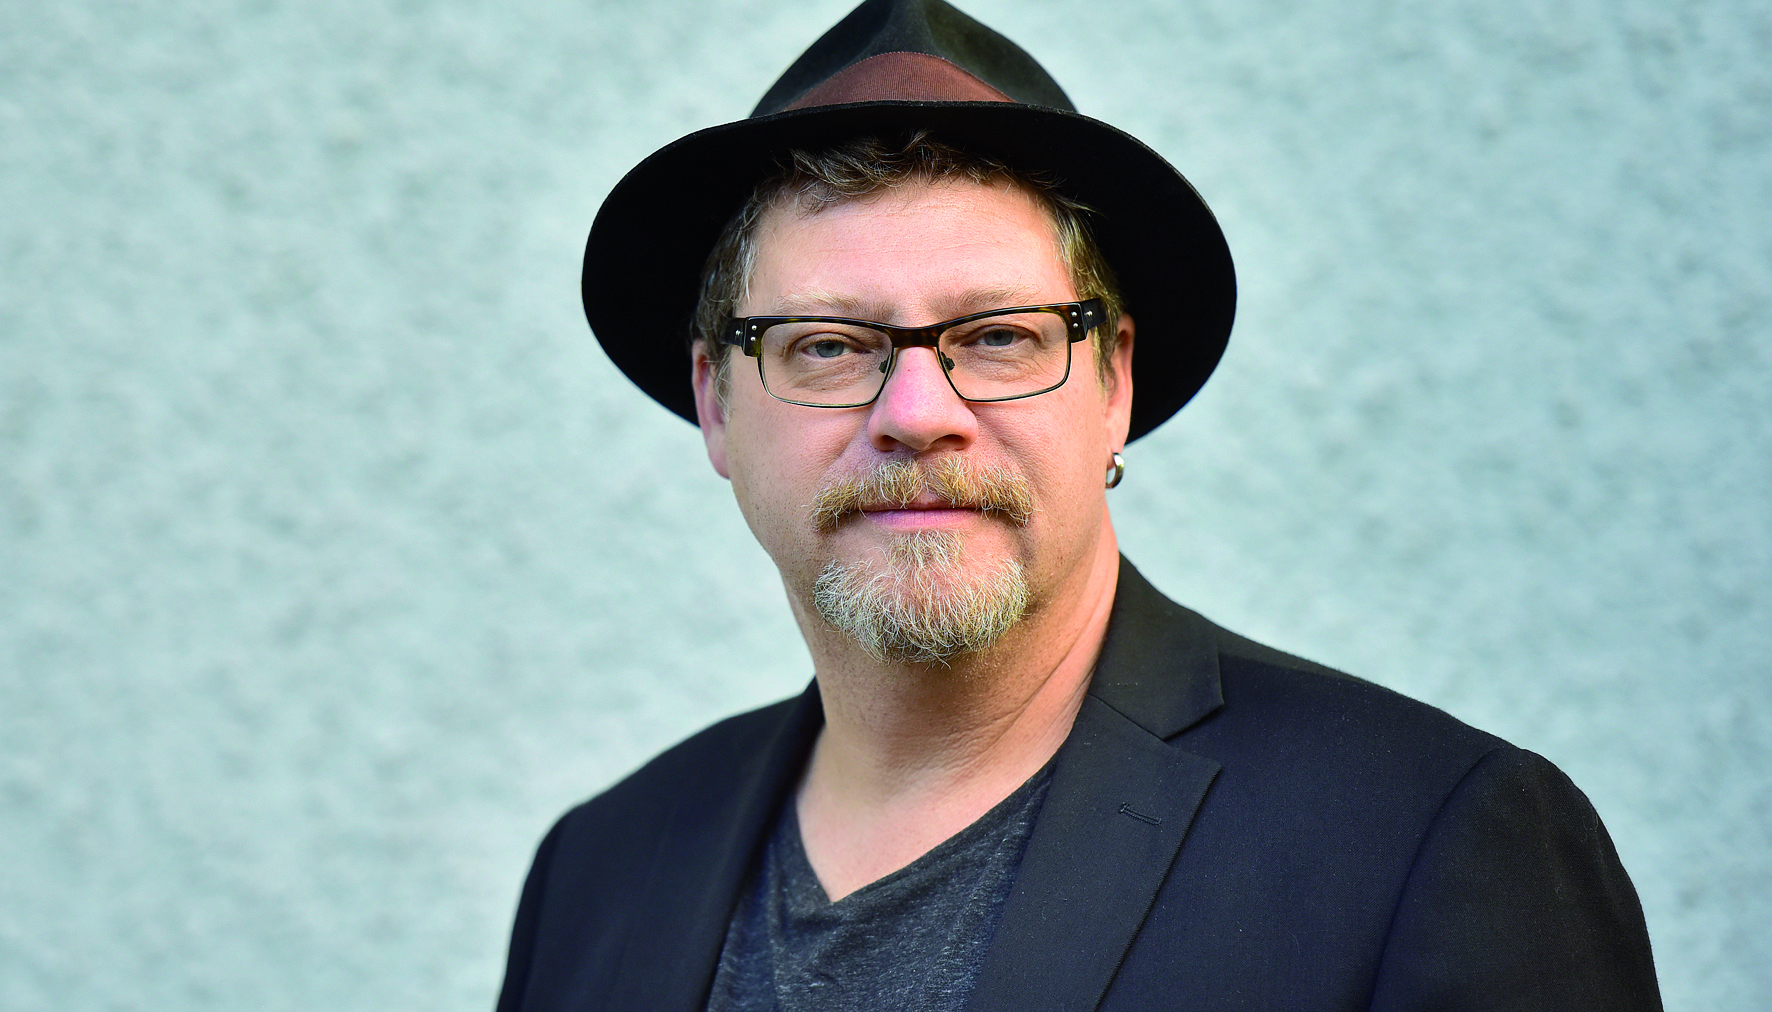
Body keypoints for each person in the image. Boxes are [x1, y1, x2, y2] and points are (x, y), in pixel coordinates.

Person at [496, 2, 1661, 1009]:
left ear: (1112, 384)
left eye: (998, 337)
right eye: (827, 345)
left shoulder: (1424, 840)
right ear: (715, 402)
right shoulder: (596, 874)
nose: (916, 412)